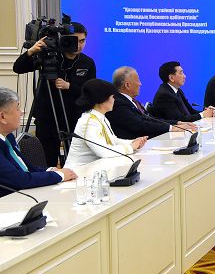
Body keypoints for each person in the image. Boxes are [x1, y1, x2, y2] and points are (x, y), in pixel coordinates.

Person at [12, 22, 96, 167]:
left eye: (82, 41)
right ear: (65, 39)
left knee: (75, 163)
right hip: (48, 116)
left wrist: (69, 86)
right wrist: (31, 51)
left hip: (74, 117)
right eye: (75, 40)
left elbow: (90, 91)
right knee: (47, 161)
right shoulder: (49, 57)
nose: (79, 45)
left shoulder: (87, 62)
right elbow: (18, 68)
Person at [0, 87, 77, 197]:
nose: (21, 112)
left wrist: (49, 170)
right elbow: (18, 180)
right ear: (2, 117)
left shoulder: (8, 137)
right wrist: (59, 176)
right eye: (17, 108)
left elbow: (27, 169)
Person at [64, 79, 147, 168]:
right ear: (102, 100)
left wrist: (133, 142)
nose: (114, 100)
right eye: (112, 97)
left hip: (93, 169)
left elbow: (113, 140)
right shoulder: (89, 121)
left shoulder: (100, 117)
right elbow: (104, 151)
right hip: (78, 172)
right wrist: (131, 147)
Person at [105, 66, 196, 140]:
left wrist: (177, 123)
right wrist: (171, 128)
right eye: (138, 80)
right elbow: (141, 125)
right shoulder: (118, 103)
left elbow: (151, 119)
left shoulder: (131, 101)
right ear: (127, 85)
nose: (140, 84)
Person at [148, 61, 215, 122]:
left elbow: (190, 111)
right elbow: (179, 120)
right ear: (171, 78)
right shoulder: (164, 95)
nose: (184, 76)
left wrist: (206, 112)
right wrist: (203, 115)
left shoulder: (177, 90)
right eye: (181, 73)